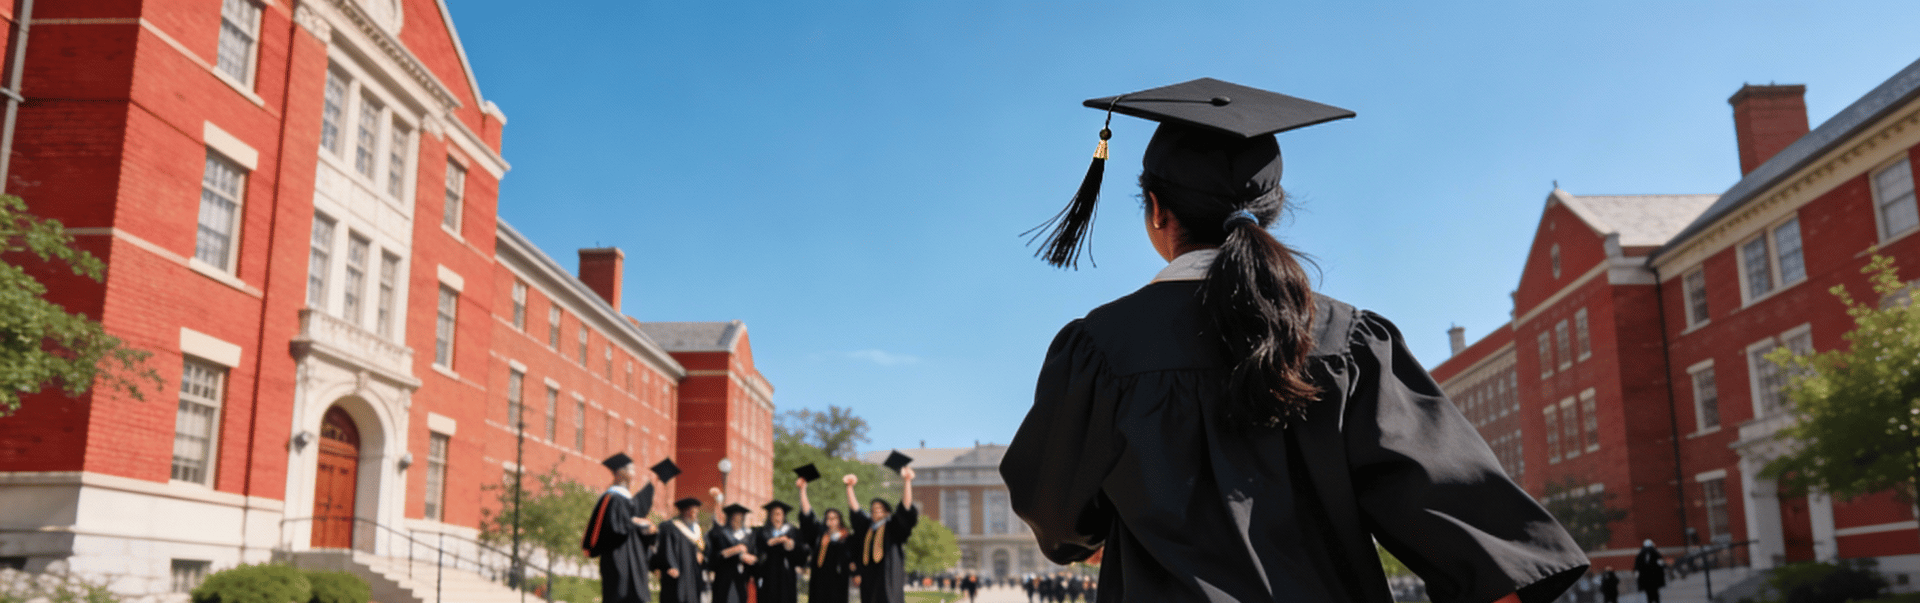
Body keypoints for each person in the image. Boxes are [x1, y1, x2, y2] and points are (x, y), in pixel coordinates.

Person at [1001, 78, 1590, 603]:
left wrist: (1094, 532)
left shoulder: (1101, 350)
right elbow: (1480, 546)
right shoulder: (1352, 345)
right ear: (1271, 211)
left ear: (1156, 212)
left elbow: (1052, 509)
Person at [580, 453, 659, 603]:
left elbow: (634, 521)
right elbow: (615, 529)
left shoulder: (627, 499)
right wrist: (634, 523)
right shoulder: (611, 498)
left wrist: (647, 531)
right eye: (631, 470)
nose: (634, 473)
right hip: (617, 559)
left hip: (635, 560)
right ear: (620, 472)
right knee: (619, 595)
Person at [846, 470, 917, 603]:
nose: (875, 511)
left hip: (888, 575)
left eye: (880, 509)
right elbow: (856, 511)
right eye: (873, 509)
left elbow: (905, 509)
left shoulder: (892, 526)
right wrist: (849, 488)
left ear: (887, 512)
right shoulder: (867, 528)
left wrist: (907, 481)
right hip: (869, 576)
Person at [798, 477, 855, 603]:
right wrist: (803, 490)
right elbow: (808, 517)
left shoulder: (847, 538)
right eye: (828, 518)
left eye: (834, 518)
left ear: (840, 520)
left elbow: (853, 560)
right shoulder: (820, 535)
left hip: (838, 584)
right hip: (819, 583)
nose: (830, 521)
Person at [655, 496, 707, 603]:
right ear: (683, 512)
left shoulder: (697, 530)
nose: (694, 514)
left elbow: (702, 549)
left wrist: (700, 555)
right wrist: (670, 565)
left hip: (692, 575)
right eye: (691, 511)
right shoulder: (670, 528)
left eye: (695, 512)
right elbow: (665, 549)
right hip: (677, 575)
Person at [707, 501, 759, 603]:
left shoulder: (750, 535)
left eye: (740, 518)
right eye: (734, 518)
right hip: (723, 579)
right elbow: (713, 557)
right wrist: (734, 551)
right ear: (729, 518)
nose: (737, 521)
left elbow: (755, 556)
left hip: (742, 579)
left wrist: (753, 560)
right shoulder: (720, 534)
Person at [754, 500, 803, 603]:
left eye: (779, 514)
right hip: (768, 574)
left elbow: (800, 555)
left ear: (784, 516)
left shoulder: (792, 531)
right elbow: (758, 551)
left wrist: (792, 547)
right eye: (772, 514)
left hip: (786, 575)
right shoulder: (762, 532)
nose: (776, 517)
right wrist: (775, 541)